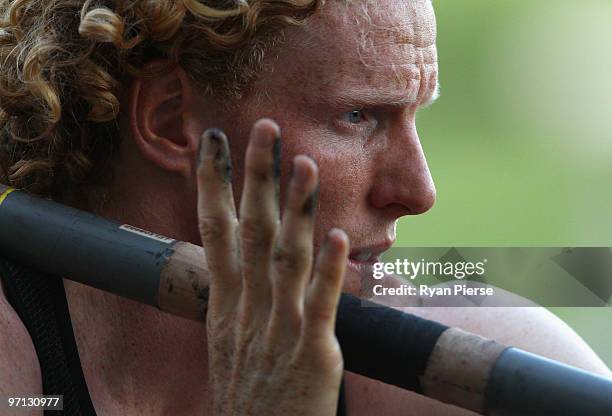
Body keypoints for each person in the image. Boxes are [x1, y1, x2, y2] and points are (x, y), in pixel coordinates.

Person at [0, 0, 610, 415]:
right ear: (168, 120)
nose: (419, 192)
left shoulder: (475, 350)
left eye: (416, 116)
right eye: (358, 116)